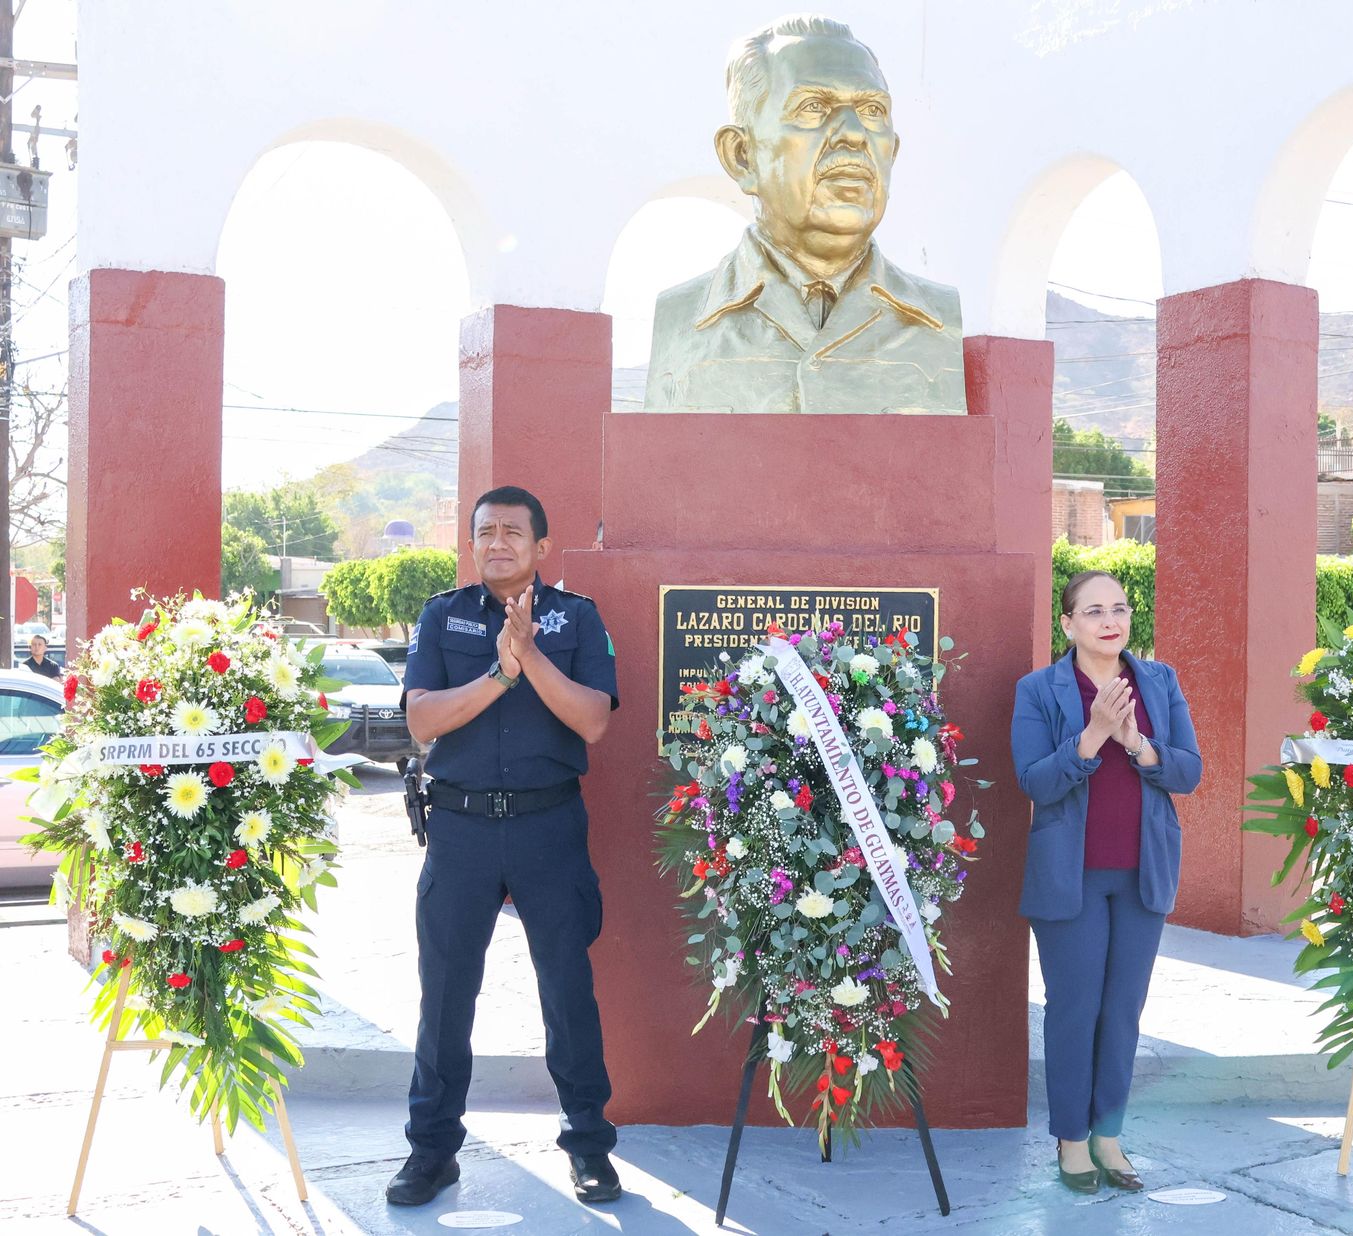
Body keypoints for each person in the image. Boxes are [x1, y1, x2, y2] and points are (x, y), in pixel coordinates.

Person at [385, 485, 623, 1208]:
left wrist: (529, 656)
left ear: (540, 546)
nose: (497, 543)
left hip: (548, 827)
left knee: (567, 990)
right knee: (446, 995)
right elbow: (422, 720)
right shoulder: (442, 614)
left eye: (512, 532)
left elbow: (593, 721)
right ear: (472, 543)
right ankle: (432, 1152)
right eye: (485, 531)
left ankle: (589, 1148)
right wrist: (499, 673)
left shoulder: (577, 617)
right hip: (459, 830)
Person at [643, 14, 966, 414]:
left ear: (893, 152)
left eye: (872, 110)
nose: (854, 133)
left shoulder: (942, 320)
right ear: (742, 156)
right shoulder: (680, 320)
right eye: (814, 107)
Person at [1010, 571, 1202, 1194]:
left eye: (1118, 608)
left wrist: (1136, 742)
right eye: (1093, 611)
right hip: (1071, 877)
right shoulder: (1038, 690)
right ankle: (1072, 1139)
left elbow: (1188, 773)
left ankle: (1109, 1136)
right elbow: (1035, 782)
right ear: (1068, 624)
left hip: (1143, 872)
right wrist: (1093, 735)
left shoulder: (1160, 681)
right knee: (1075, 1008)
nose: (1109, 620)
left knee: (1122, 1010)